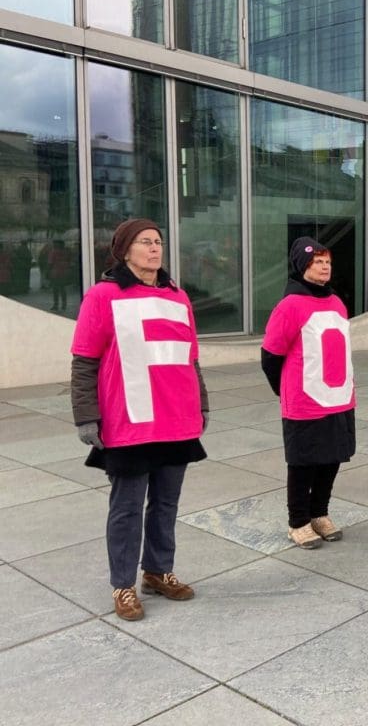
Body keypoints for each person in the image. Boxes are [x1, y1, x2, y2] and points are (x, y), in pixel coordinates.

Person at [70, 218, 208, 622]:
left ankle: (158, 571)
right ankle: (123, 585)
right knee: (127, 507)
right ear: (124, 250)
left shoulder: (178, 297)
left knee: (166, 502)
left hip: (176, 419)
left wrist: (200, 404)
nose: (154, 248)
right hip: (129, 421)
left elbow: (190, 358)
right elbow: (85, 360)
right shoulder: (102, 296)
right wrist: (86, 416)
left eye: (158, 241)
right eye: (145, 242)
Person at [261, 237, 356, 549]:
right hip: (305, 401)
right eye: (318, 261)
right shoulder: (289, 306)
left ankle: (319, 513)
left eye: (328, 261)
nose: (325, 266)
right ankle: (298, 520)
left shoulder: (337, 302)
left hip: (338, 397)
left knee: (332, 459)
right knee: (303, 464)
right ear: (302, 266)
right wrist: (285, 389)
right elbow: (271, 356)